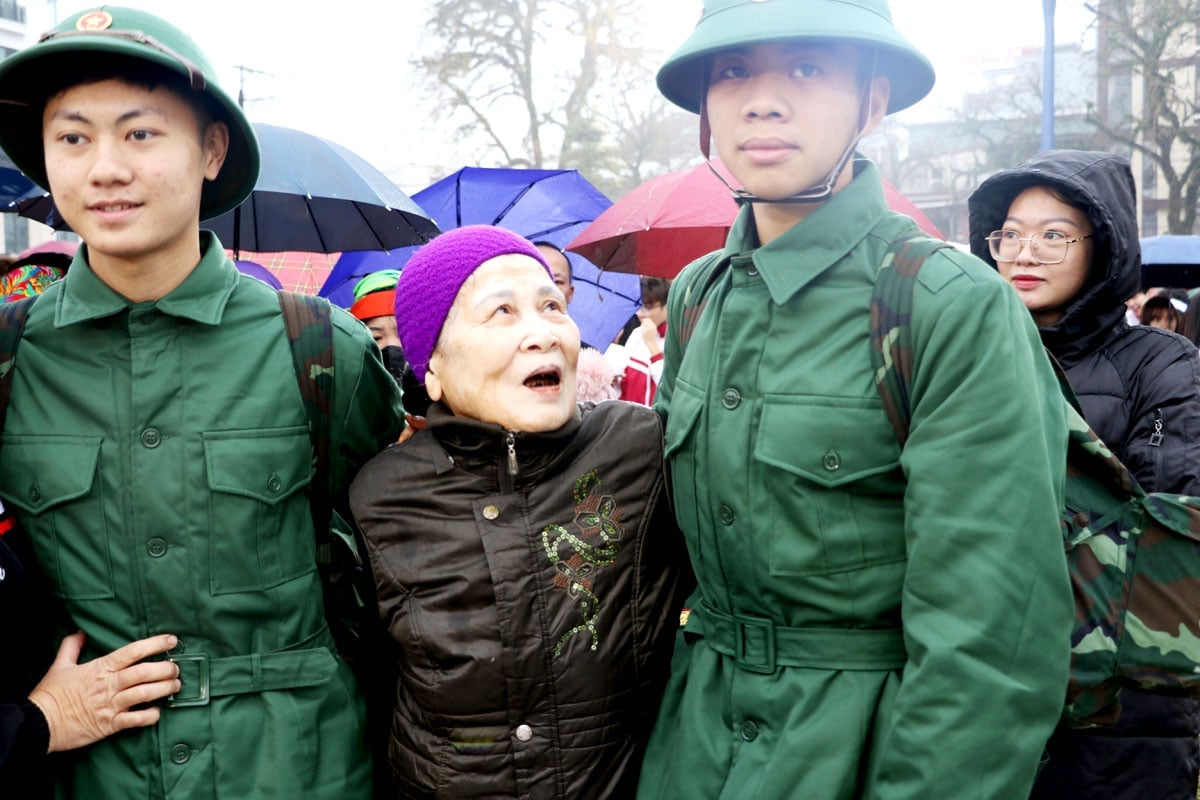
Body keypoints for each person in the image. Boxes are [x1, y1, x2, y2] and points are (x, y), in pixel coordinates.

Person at [636, 2, 1074, 798]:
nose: (762, 99)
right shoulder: (699, 295)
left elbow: (989, 639)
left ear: (872, 103)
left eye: (807, 67)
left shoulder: (944, 303)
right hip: (694, 746)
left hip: (862, 750)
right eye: (732, 70)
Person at [0, 7, 402, 798]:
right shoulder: (11, 360)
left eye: (141, 133)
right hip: (94, 773)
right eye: (73, 138)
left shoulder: (318, 350)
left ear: (213, 148)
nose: (105, 168)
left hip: (300, 768)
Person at [349, 225, 692, 799]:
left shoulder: (640, 449)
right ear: (430, 364)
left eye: (551, 305)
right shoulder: (379, 495)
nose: (540, 333)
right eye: (501, 312)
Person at [968, 148, 1200, 800]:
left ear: (1105, 246)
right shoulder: (968, 357)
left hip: (1127, 712)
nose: (1023, 253)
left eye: (1053, 235)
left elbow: (1166, 542)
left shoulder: (1162, 364)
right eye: (1008, 234)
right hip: (985, 688)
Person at [616, 277, 669, 406]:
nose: (640, 313)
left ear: (667, 306)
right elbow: (622, 377)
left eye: (648, 307)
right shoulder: (637, 333)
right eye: (639, 306)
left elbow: (668, 388)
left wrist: (653, 347)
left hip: (653, 420)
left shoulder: (675, 339)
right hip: (625, 415)